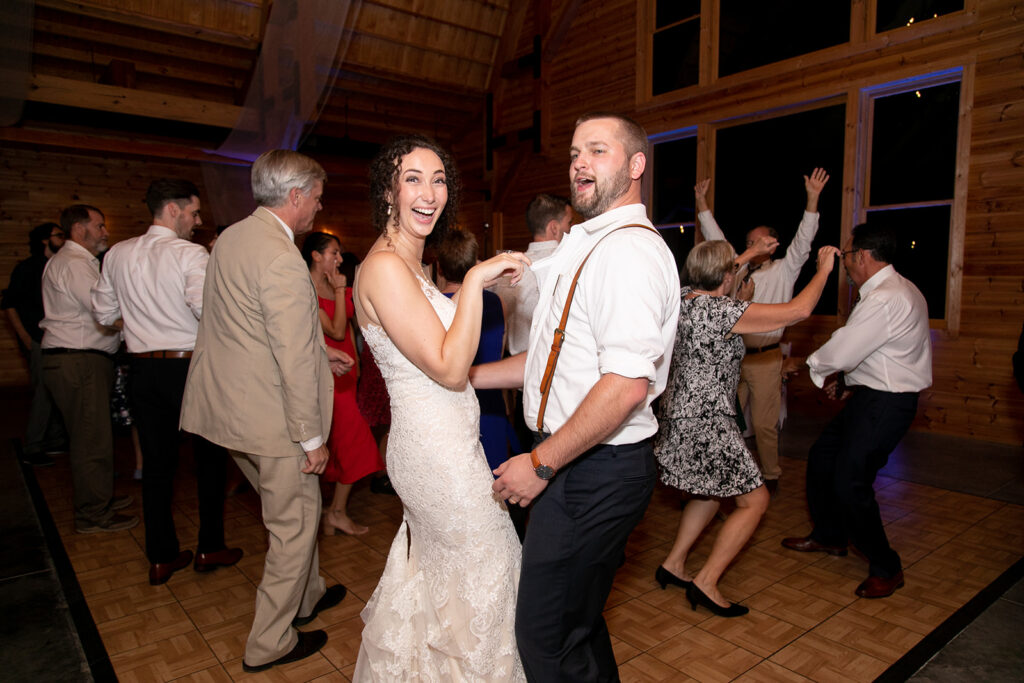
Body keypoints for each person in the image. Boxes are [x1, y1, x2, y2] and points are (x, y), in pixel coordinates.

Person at [472, 112, 681, 681]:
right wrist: (467, 377)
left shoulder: (628, 253)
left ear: (636, 165)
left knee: (543, 636)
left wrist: (540, 462)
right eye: (573, 154)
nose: (579, 163)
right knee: (575, 624)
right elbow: (549, 364)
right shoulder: (590, 245)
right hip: (578, 461)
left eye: (597, 151)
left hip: (594, 469)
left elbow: (626, 385)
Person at [351, 134, 529, 681]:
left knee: (451, 588)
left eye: (439, 180)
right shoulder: (383, 268)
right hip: (436, 457)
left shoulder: (413, 266)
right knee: (490, 575)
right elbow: (450, 368)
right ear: (388, 190)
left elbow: (451, 365)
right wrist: (476, 278)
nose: (429, 193)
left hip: (450, 446)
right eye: (412, 179)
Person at [180, 151, 347, 672]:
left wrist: (324, 353)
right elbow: (291, 354)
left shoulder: (230, 237)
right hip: (273, 421)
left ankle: (308, 593)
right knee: (293, 526)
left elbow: (246, 325)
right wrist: (312, 438)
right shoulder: (281, 257)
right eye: (317, 198)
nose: (319, 208)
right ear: (295, 196)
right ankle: (269, 642)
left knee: (300, 511)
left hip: (229, 412)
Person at [654, 240, 839, 617]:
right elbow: (798, 310)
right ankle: (706, 582)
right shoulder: (723, 312)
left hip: (678, 417)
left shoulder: (685, 298)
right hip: (707, 423)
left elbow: (711, 275)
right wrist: (823, 270)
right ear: (725, 278)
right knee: (755, 501)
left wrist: (745, 259)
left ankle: (674, 564)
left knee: (708, 493)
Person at [91, 178, 243, 585]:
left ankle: (161, 556)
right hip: (190, 369)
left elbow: (104, 316)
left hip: (142, 370)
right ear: (172, 210)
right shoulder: (190, 254)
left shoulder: (117, 254)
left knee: (157, 467)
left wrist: (144, 319)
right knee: (209, 460)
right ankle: (210, 547)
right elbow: (205, 310)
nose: (197, 221)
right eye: (194, 213)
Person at [782, 221, 932, 599]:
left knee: (851, 480)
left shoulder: (886, 298)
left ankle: (887, 565)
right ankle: (830, 535)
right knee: (822, 458)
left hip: (886, 403)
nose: (846, 263)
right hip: (873, 396)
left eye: (848, 255)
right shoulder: (900, 289)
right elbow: (882, 351)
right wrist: (847, 382)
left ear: (863, 256)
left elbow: (846, 347)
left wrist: (801, 364)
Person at [696, 169, 829, 494]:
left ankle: (771, 476)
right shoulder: (736, 270)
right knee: (727, 421)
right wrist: (701, 205)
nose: (751, 246)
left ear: (771, 244)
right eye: (748, 243)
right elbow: (718, 242)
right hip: (733, 357)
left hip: (765, 359)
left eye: (758, 242)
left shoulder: (785, 269)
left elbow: (803, 243)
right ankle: (729, 473)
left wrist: (812, 199)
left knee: (765, 424)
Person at [40, 205, 137, 534]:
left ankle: (99, 499)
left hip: (77, 359)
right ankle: (93, 514)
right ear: (79, 229)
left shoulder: (74, 262)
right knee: (90, 439)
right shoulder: (75, 264)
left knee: (93, 435)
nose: (105, 232)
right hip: (79, 359)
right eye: (99, 226)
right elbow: (104, 312)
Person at [301, 231, 382, 536]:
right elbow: (335, 331)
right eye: (333, 253)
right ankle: (336, 512)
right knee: (356, 441)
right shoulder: (308, 288)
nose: (338, 258)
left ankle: (331, 509)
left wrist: (359, 366)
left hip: (347, 372)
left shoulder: (336, 285)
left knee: (338, 441)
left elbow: (349, 328)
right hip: (325, 374)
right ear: (316, 255)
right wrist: (338, 291)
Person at [437, 227, 521, 472]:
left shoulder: (435, 306)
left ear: (440, 268)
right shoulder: (496, 303)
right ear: (475, 263)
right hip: (491, 402)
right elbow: (501, 347)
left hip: (452, 404)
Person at [2, 222, 67, 466]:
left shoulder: (57, 266)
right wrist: (26, 339)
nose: (63, 239)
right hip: (37, 339)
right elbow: (9, 305)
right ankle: (33, 446)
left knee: (55, 390)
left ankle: (54, 440)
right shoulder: (27, 268)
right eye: (59, 235)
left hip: (56, 338)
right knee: (43, 392)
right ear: (44, 240)